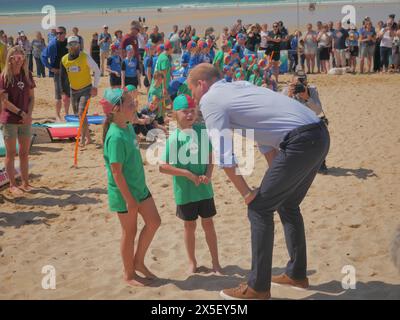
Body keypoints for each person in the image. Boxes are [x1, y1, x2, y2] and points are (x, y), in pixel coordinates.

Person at [188, 63, 330, 300]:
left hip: (301, 141)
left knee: (258, 208)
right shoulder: (240, 87)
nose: (192, 96)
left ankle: (258, 288)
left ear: (201, 84)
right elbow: (267, 142)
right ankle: (296, 275)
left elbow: (223, 153)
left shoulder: (211, 99)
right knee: (287, 204)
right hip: (319, 135)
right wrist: (270, 185)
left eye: (191, 89)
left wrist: (247, 194)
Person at [101, 87, 161, 286]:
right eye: (130, 104)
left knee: (154, 222)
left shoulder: (126, 125)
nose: (135, 105)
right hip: (124, 193)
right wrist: (129, 200)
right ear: (116, 109)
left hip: (139, 187)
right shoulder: (115, 136)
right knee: (130, 233)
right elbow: (116, 173)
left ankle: (138, 262)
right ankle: (129, 274)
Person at [160, 94, 222, 274]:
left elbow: (211, 157)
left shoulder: (202, 131)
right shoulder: (175, 137)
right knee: (189, 226)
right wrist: (186, 173)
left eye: (192, 111)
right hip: (185, 192)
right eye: (184, 111)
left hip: (204, 190)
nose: (189, 115)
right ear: (175, 114)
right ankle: (192, 262)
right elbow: (163, 167)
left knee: (209, 223)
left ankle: (216, 263)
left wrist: (208, 174)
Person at [0, 46, 35, 196]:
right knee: (11, 153)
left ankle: (26, 182)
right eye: (16, 56)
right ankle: (13, 184)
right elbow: (5, 102)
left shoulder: (27, 75)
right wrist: (21, 113)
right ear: (10, 59)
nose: (19, 58)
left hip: (25, 118)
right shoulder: (4, 77)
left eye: (21, 55)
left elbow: (32, 97)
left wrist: (28, 114)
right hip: (10, 119)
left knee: (24, 152)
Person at [60, 36, 100, 147]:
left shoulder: (85, 57)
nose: (73, 47)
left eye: (75, 45)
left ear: (79, 45)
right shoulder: (64, 60)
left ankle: (82, 138)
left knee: (82, 113)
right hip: (73, 90)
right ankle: (88, 138)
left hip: (86, 89)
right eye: (71, 45)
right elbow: (63, 77)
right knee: (80, 115)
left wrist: (95, 87)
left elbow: (96, 70)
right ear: (68, 47)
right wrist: (64, 92)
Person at [41, 26, 71, 122]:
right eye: (56, 33)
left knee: (67, 95)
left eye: (61, 33)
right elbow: (43, 56)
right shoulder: (53, 44)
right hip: (58, 72)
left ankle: (66, 114)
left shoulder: (69, 42)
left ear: (65, 33)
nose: (58, 35)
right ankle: (57, 115)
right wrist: (51, 68)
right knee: (58, 95)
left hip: (68, 72)